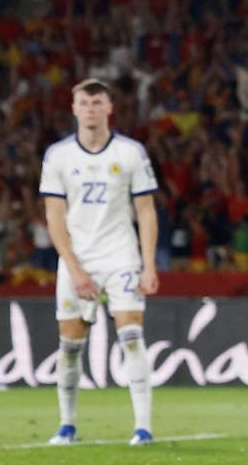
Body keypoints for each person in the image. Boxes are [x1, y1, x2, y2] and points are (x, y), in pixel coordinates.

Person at [39, 79, 160, 446]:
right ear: (73, 109)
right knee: (70, 347)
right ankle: (67, 425)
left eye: (97, 102)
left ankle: (143, 428)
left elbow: (146, 211)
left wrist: (149, 265)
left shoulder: (130, 153)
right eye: (83, 102)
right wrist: (75, 269)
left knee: (132, 337)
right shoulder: (58, 156)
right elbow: (54, 218)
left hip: (121, 256)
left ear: (109, 108)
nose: (90, 108)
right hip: (78, 259)